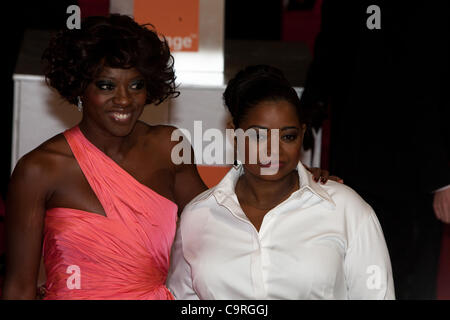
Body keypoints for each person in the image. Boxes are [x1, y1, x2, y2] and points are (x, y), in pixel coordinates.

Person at [2, 15, 333, 300]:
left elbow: (223, 216)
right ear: (78, 88)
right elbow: (19, 288)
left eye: (136, 85)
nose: (124, 100)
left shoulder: (167, 146)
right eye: (106, 86)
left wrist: (292, 177)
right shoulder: (39, 170)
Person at [166, 65, 395, 299]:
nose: (273, 150)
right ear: (234, 134)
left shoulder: (347, 210)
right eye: (259, 135)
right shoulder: (198, 215)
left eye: (287, 136)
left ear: (302, 134)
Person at [299, 1, 450, 299]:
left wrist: (441, 177)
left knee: (394, 278)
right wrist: (307, 112)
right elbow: (330, 52)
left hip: (402, 171)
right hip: (371, 169)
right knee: (362, 276)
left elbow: (431, 77)